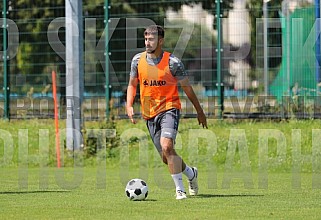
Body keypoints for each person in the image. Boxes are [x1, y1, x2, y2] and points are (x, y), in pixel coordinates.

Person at [126, 25, 207, 200]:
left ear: (161, 41)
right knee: (167, 156)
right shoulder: (137, 61)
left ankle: (180, 190)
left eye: (152, 39)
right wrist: (129, 104)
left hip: (169, 109)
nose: (148, 42)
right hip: (149, 114)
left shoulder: (173, 62)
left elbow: (187, 88)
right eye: (146, 39)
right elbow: (132, 85)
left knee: (167, 146)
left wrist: (199, 111)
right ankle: (191, 173)